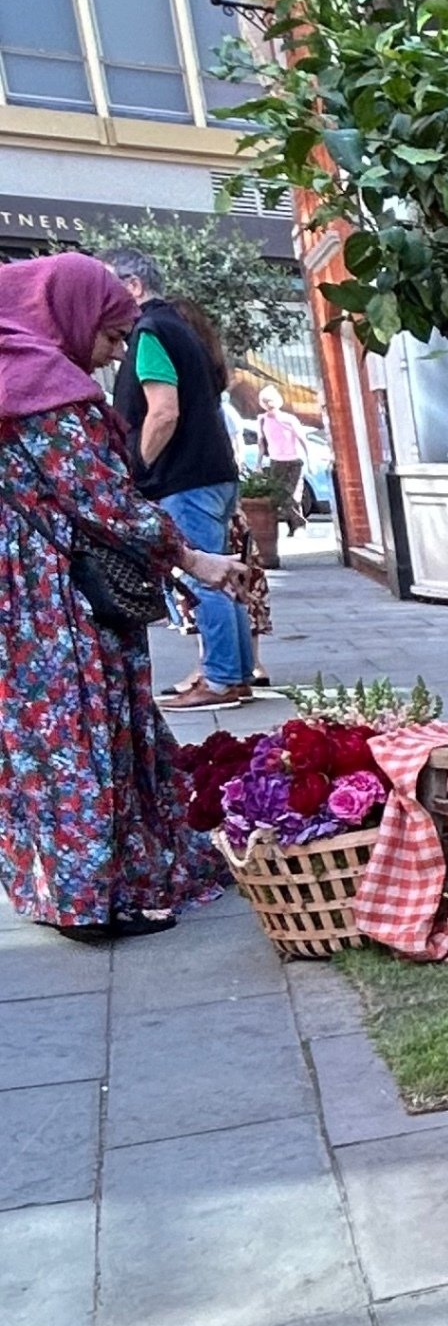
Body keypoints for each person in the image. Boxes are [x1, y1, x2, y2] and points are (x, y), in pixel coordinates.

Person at [0, 253, 244, 938]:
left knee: (36, 743)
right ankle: (88, 902)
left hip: (18, 588)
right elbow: (102, 501)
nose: (111, 358)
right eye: (110, 338)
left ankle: (62, 887)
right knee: (84, 733)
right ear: (68, 313)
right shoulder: (46, 386)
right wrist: (190, 556)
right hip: (62, 594)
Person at [112, 274, 256, 705]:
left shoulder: (150, 331)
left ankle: (221, 679)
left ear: (132, 284)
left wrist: (136, 466)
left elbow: (163, 412)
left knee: (205, 576)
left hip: (185, 478)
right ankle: (233, 672)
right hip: (212, 472)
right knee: (220, 573)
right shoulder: (181, 327)